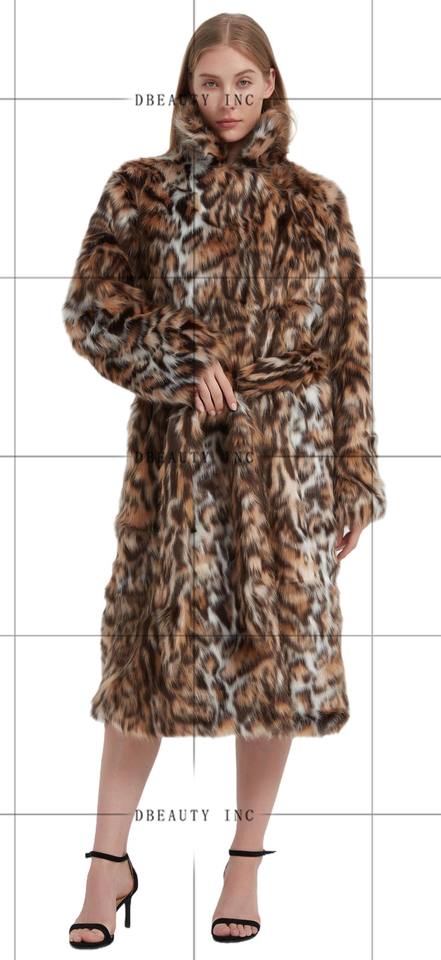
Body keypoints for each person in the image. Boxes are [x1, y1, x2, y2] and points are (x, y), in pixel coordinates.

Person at [64, 12, 386, 949]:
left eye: (244, 83)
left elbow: (348, 350)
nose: (228, 101)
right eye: (210, 84)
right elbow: (90, 309)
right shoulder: (142, 189)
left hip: (290, 462)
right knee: (144, 667)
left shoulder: (317, 202)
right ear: (188, 88)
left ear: (270, 84)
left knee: (272, 671)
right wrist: (176, 357)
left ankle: (244, 863)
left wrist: (352, 476)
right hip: (179, 466)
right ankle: (107, 862)